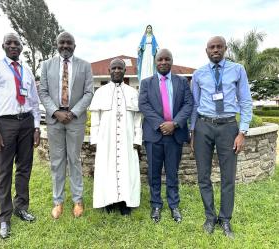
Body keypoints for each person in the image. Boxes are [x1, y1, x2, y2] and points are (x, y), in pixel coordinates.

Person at [190, 36, 252, 239]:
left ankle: (225, 219)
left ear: (225, 48)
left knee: (228, 177)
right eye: (211, 47)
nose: (215, 50)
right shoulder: (199, 74)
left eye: (219, 47)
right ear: (206, 50)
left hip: (228, 128)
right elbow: (194, 105)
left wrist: (242, 132)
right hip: (204, 127)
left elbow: (245, 101)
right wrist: (192, 131)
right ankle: (210, 217)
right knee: (203, 176)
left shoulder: (237, 69)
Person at [0, 33, 41, 239]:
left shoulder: (27, 71)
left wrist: (36, 127)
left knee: (24, 168)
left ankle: (21, 207)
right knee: (3, 171)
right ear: (3, 45)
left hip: (25, 122)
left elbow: (33, 101)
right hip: (3, 124)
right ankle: (4, 217)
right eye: (10, 43)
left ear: (22, 47)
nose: (13, 46)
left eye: (17, 43)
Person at [38, 31, 94, 219]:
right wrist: (56, 112)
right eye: (61, 42)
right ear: (57, 45)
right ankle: (58, 201)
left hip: (75, 119)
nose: (65, 46)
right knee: (57, 161)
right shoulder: (46, 66)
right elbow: (43, 92)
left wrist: (73, 113)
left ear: (74, 46)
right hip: (55, 119)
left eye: (69, 43)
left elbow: (88, 93)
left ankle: (78, 200)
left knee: (74, 160)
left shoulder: (85, 66)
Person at [139, 49, 193, 223]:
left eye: (167, 59)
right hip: (154, 134)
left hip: (175, 135)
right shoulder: (146, 83)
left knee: (172, 172)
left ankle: (174, 205)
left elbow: (188, 104)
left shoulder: (182, 82)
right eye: (160, 59)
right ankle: (156, 205)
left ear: (172, 61)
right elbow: (144, 105)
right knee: (154, 173)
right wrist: (161, 124)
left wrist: (174, 124)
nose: (163, 62)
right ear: (156, 61)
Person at [89, 58, 142, 215]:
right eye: (114, 68)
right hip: (107, 139)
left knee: (127, 169)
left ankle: (126, 202)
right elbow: (95, 119)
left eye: (120, 68)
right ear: (109, 71)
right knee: (107, 169)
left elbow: (138, 119)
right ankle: (108, 201)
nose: (117, 71)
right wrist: (96, 140)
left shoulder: (133, 93)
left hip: (127, 139)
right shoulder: (100, 92)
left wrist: (137, 139)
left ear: (125, 71)